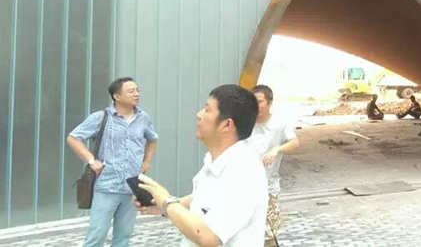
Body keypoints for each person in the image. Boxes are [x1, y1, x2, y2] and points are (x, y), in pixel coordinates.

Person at [134, 85, 268, 247]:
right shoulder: (216, 159)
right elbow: (201, 199)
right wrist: (164, 204)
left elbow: (209, 237)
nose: (199, 114)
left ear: (227, 125)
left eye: (207, 110)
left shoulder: (244, 172)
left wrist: (168, 202)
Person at [67, 77, 159, 247]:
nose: (136, 94)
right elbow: (73, 138)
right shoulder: (101, 117)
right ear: (117, 96)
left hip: (131, 187)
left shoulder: (143, 118)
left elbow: (152, 139)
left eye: (137, 90)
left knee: (124, 236)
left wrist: (146, 161)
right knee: (97, 236)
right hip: (106, 186)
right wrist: (91, 160)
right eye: (131, 91)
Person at [246, 84, 300, 245]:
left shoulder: (279, 123)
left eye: (259, 101)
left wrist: (276, 149)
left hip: (268, 186)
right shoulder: (245, 123)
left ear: (269, 102)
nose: (256, 106)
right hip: (245, 186)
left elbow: (294, 142)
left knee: (269, 232)